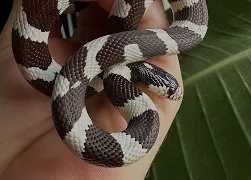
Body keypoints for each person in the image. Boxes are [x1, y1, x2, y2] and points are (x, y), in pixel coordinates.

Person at [0, 0, 183, 179]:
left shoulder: (111, 79)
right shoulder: (109, 77)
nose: (171, 95)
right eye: (168, 90)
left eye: (169, 91)